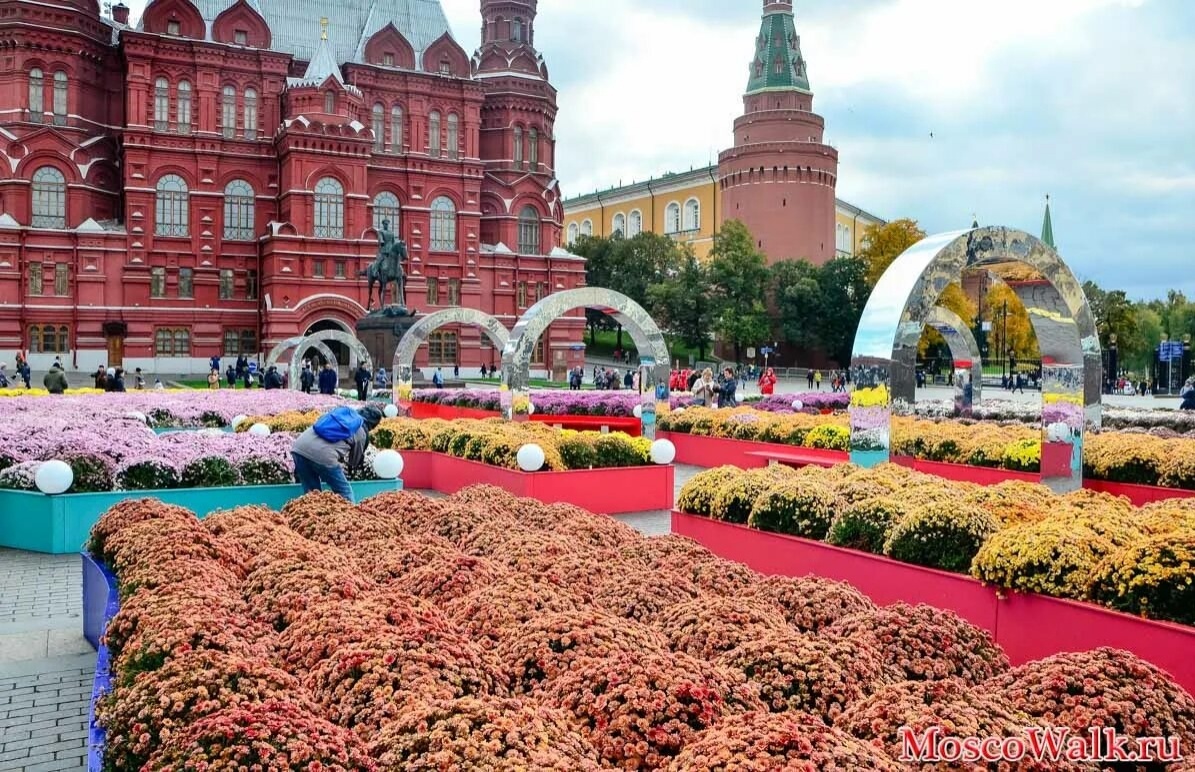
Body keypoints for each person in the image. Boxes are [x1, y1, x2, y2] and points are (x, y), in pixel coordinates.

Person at [291, 405, 383, 502]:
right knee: (344, 491)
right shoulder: (361, 431)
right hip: (323, 455)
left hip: (299, 447)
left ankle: (312, 515)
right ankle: (349, 516)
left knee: (312, 492)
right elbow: (354, 462)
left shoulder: (344, 414)